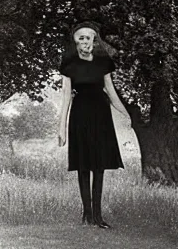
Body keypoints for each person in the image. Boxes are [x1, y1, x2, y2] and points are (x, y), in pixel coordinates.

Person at [57, 21, 130, 229]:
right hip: (80, 115)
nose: (85, 41)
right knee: (83, 166)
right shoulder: (69, 66)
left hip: (101, 116)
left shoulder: (103, 64)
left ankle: (98, 217)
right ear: (75, 41)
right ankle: (87, 215)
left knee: (99, 167)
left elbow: (112, 94)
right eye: (81, 37)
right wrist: (61, 128)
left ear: (94, 40)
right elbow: (65, 98)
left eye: (89, 37)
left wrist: (126, 115)